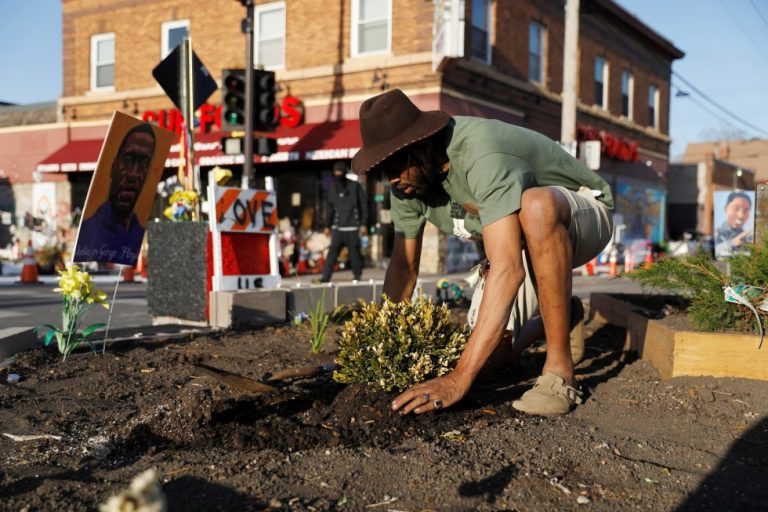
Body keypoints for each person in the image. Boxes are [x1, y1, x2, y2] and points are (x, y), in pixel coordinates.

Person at [351, 89, 613, 416]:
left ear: (420, 145)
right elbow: (404, 270)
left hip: (581, 216)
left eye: (394, 163)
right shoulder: (406, 185)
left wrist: (458, 378)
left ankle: (559, 372)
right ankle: (563, 315)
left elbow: (508, 269)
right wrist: (383, 355)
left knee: (535, 206)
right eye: (380, 169)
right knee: (489, 359)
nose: (389, 177)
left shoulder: (480, 152)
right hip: (519, 243)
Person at [74, 123, 156, 266]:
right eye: (128, 160)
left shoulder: (138, 232)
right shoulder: (90, 230)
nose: (134, 174)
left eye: (144, 164)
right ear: (114, 166)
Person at [318, 161, 368, 282]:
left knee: (354, 253)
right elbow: (329, 208)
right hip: (338, 227)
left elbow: (363, 205)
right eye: (336, 172)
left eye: (340, 171)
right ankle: (325, 277)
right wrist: (327, 226)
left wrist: (363, 223)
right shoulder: (332, 188)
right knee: (332, 253)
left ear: (345, 172)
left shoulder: (355, 186)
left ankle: (357, 276)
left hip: (352, 227)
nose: (338, 174)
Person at [714, 191, 753, 258]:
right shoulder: (717, 233)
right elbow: (713, 252)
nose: (741, 215)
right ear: (726, 209)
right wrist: (731, 243)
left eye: (746, 210)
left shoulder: (749, 237)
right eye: (736, 208)